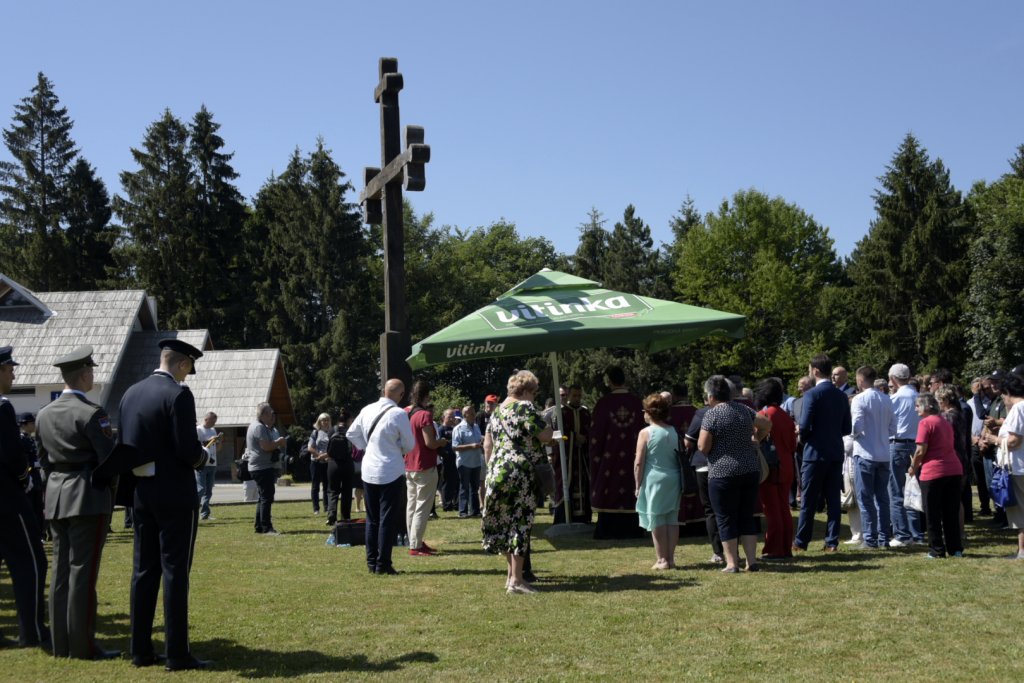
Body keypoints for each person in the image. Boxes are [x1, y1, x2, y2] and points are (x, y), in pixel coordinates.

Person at [118, 338, 210, 670]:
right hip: (174, 492)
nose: (187, 376)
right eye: (188, 369)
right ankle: (177, 652)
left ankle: (140, 649)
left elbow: (123, 444)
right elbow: (187, 449)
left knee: (143, 571)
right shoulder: (178, 394)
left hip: (141, 491)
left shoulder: (130, 393)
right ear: (182, 363)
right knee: (175, 572)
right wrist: (204, 457)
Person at [34, 345, 119, 659]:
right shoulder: (92, 413)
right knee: (83, 572)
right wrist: (110, 494)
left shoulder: (44, 414)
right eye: (91, 371)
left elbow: (43, 462)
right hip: (87, 496)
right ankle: (83, 646)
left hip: (56, 496)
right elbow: (109, 462)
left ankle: (61, 643)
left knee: (60, 574)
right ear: (84, 375)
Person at [482, 370, 554, 594]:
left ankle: (511, 576)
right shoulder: (525, 407)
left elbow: (487, 445)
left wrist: (492, 468)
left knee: (505, 524)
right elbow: (545, 436)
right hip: (520, 473)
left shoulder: (496, 412)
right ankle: (517, 581)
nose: (535, 397)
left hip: (497, 472)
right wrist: (549, 428)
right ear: (527, 391)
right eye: (535, 392)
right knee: (521, 524)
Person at [0, 345, 50, 649]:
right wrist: (25, 479)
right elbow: (11, 453)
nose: (13, 375)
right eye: (9, 370)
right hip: (7, 498)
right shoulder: (3, 407)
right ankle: (32, 631)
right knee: (31, 561)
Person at [698, 375, 772, 572]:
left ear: (711, 396)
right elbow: (766, 423)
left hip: (722, 473)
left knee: (725, 517)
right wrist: (756, 440)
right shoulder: (744, 409)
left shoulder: (712, 414)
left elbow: (703, 446)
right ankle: (751, 561)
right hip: (749, 469)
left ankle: (731, 563)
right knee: (746, 516)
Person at [347, 379, 416, 575]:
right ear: (401, 395)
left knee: (372, 519)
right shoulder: (399, 414)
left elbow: (351, 433)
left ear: (384, 390)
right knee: (387, 519)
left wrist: (367, 446)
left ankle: (372, 562)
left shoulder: (367, 409)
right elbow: (409, 445)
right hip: (391, 470)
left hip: (369, 469)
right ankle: (383, 564)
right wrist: (395, 448)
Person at [794, 354, 852, 553]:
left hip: (814, 453)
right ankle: (831, 542)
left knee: (809, 500)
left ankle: (801, 541)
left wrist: (803, 436)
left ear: (816, 371)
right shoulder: (841, 396)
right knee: (833, 500)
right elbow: (847, 428)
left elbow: (804, 425)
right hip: (835, 451)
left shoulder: (812, 394)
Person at [589, 366, 645, 539]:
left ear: (609, 381)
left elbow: (595, 435)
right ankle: (634, 528)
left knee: (610, 486)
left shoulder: (603, 404)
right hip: (633, 457)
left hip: (609, 460)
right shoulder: (637, 403)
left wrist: (596, 458)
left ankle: (607, 529)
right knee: (631, 485)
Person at [908, 393, 964, 558]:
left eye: (917, 405)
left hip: (933, 471)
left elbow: (920, 450)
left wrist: (913, 467)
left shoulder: (925, 423)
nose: (915, 409)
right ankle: (955, 548)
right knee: (950, 511)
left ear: (926, 406)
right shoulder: (944, 421)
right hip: (954, 469)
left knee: (932, 513)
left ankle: (936, 549)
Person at [634, 393, 681, 570]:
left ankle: (662, 560)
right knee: (672, 519)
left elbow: (639, 462)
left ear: (649, 412)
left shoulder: (645, 432)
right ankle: (671, 559)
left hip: (655, 479)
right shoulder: (673, 431)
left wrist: (637, 484)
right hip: (674, 478)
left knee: (656, 518)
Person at [849, 366, 894, 549]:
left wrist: (852, 435)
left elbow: (857, 426)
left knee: (865, 498)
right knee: (882, 498)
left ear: (860, 380)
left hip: (865, 452)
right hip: (883, 454)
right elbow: (893, 428)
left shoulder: (859, 399)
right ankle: (884, 537)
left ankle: (870, 538)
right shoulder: (886, 398)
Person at [981, 371, 1024, 558]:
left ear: (1007, 392)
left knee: (1020, 511)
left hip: (1018, 466)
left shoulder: (1018, 408)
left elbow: (1014, 441)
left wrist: (994, 439)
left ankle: (1022, 550)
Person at [753, 378, 796, 560]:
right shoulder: (785, 415)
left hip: (771, 467)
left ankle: (774, 549)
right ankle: (785, 547)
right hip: (786, 465)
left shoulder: (764, 415)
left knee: (772, 509)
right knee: (784, 508)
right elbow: (793, 445)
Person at [404, 380, 448, 556]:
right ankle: (415, 545)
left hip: (409, 464)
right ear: (427, 396)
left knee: (412, 505)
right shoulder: (424, 415)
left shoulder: (407, 413)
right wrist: (442, 442)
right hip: (424, 465)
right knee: (422, 507)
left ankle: (414, 541)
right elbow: (430, 443)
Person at [887, 363, 925, 547]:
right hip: (917, 445)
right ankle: (916, 533)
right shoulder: (919, 396)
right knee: (912, 489)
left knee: (896, 491)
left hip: (898, 444)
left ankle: (902, 534)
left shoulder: (895, 398)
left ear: (893, 379)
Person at [684, 402, 723, 564]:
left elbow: (688, 442)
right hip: (729, 466)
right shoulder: (738, 411)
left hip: (704, 465)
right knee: (728, 509)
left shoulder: (702, 413)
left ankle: (719, 552)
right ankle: (732, 551)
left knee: (710, 510)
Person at [244, 403, 286, 535]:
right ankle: (267, 527)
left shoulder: (257, 426)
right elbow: (266, 447)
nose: (272, 416)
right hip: (262, 467)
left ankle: (259, 526)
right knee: (267, 497)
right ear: (263, 414)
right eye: (270, 413)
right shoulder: (259, 427)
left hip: (259, 466)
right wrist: (279, 442)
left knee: (263, 497)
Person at [552, 384, 592, 524]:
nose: (577, 398)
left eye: (579, 396)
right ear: (568, 395)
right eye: (574, 395)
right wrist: (574, 437)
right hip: (567, 457)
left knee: (584, 485)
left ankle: (583, 518)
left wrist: (585, 438)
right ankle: (565, 518)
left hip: (582, 458)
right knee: (566, 484)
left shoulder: (585, 412)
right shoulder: (561, 412)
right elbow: (558, 432)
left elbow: (591, 431)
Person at [17, 411, 46, 539]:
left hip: (36, 477)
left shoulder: (31, 439)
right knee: (30, 507)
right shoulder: (21, 440)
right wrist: (36, 464)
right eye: (32, 423)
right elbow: (23, 460)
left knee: (39, 507)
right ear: (24, 424)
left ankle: (39, 533)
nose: (34, 425)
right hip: (28, 478)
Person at [452, 404, 484, 518]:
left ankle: (475, 511)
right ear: (465, 414)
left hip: (476, 461)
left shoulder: (476, 426)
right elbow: (455, 447)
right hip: (464, 462)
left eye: (474, 412)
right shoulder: (458, 428)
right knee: (464, 488)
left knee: (475, 488)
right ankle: (463, 512)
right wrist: (472, 446)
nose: (474, 414)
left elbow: (479, 439)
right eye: (471, 413)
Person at [326, 408, 355, 526]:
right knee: (347, 491)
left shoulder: (332, 430)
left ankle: (331, 515)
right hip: (347, 464)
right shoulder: (350, 431)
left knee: (332, 491)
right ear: (348, 420)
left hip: (333, 464)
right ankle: (345, 517)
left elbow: (328, 446)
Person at [195, 411, 221, 521]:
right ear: (206, 419)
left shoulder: (213, 430)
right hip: (202, 463)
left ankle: (205, 514)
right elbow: (196, 446)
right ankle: (193, 511)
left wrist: (218, 441)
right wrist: (209, 441)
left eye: (215, 421)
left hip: (212, 463)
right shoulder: (198, 430)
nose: (214, 423)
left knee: (209, 490)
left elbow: (216, 447)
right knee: (201, 489)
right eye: (213, 421)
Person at [308, 413, 332, 516]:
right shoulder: (315, 432)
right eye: (323, 420)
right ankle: (316, 509)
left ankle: (326, 508)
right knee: (315, 486)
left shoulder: (331, 433)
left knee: (327, 486)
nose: (325, 422)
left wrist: (326, 457)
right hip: (316, 462)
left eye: (327, 420)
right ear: (319, 421)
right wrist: (319, 455)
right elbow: (310, 447)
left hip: (327, 463)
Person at [438, 408, 460, 512]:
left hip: (456, 458)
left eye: (453, 416)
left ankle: (456, 503)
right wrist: (443, 455)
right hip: (446, 459)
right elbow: (439, 445)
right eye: (449, 416)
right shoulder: (441, 429)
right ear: (443, 417)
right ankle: (446, 504)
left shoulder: (455, 429)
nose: (452, 419)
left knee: (456, 481)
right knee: (447, 482)